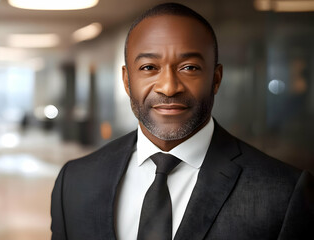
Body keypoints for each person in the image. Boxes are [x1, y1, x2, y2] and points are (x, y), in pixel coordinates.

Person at [51, 2, 313, 240]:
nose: (168, 87)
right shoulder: (75, 181)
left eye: (189, 68)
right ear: (126, 80)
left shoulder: (283, 193)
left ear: (216, 79)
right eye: (149, 68)